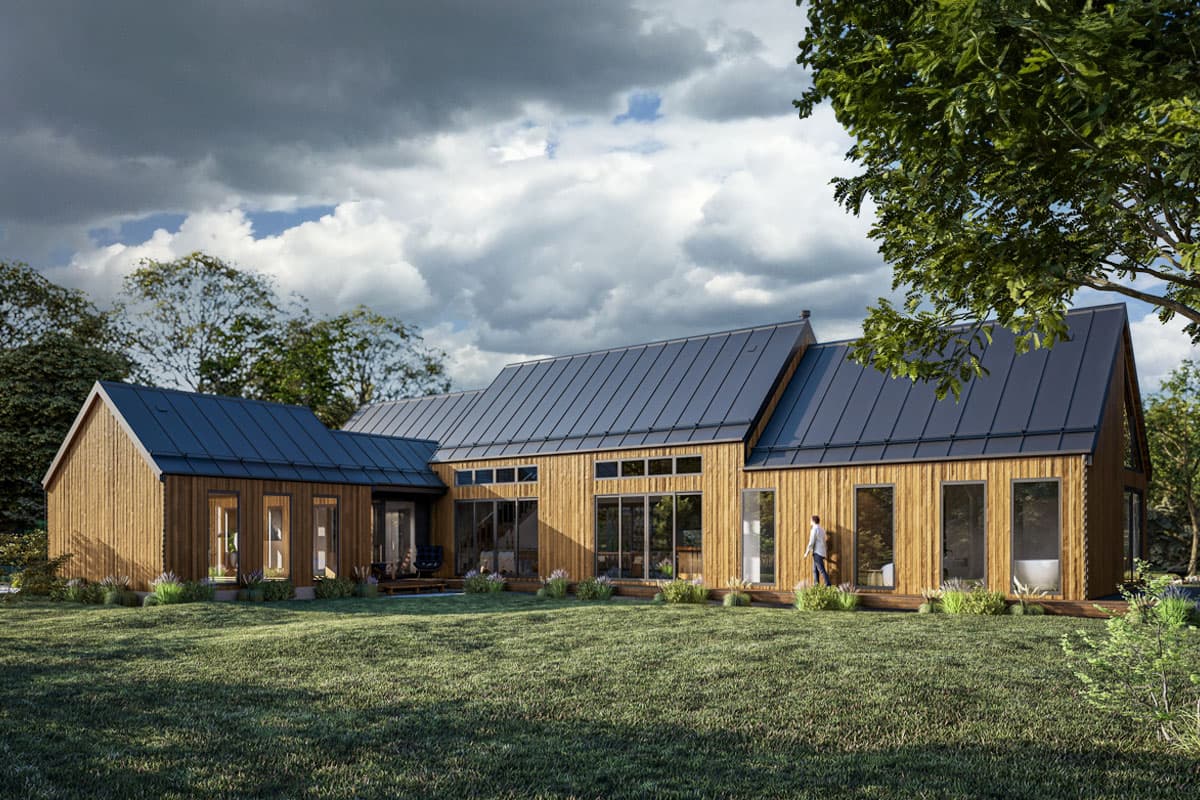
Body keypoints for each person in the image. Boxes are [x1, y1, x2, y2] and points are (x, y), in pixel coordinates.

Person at [804, 515, 831, 586]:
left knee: (821, 570)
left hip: (817, 553)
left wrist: (807, 552)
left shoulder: (814, 529)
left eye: (810, 520)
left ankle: (828, 585)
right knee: (815, 570)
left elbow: (811, 542)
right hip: (821, 552)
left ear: (813, 521)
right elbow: (824, 541)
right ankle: (816, 586)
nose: (810, 522)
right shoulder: (822, 530)